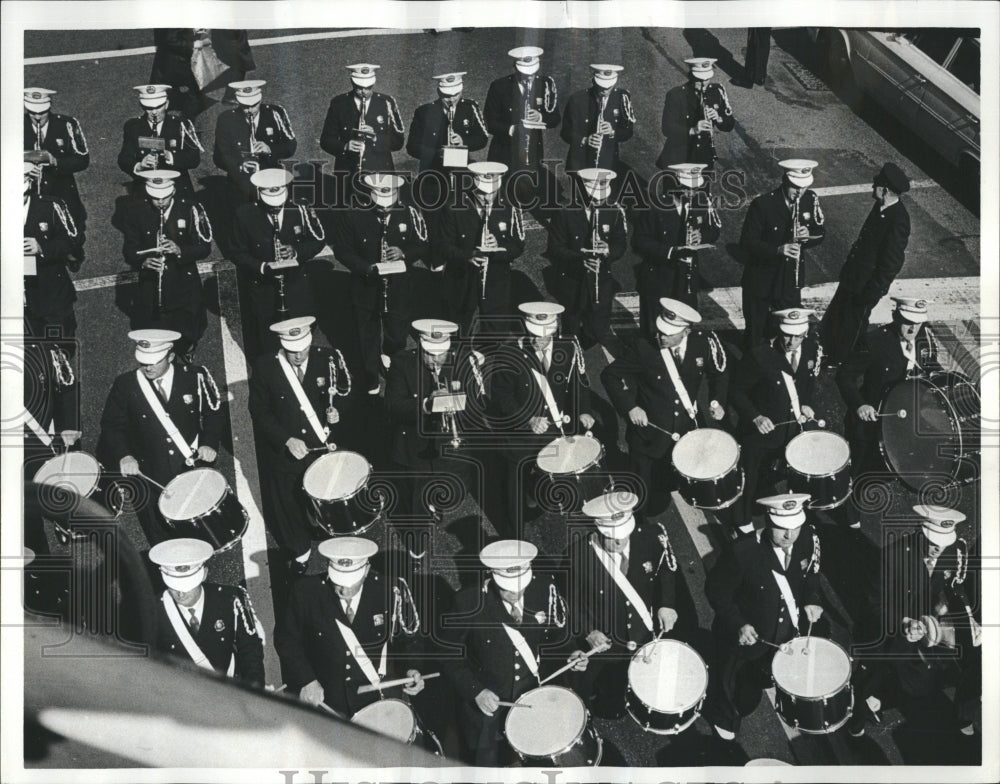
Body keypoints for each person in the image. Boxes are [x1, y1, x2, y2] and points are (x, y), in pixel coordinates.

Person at [441, 539, 589, 765]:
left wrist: (571, 653)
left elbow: (557, 632)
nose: (517, 594)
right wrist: (476, 691)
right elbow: (449, 654)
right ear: (492, 577)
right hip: (488, 702)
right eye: (508, 589)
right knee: (487, 761)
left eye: (521, 586)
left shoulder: (543, 588)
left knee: (541, 751)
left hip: (533, 692)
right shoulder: (468, 602)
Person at [849, 506, 981, 738]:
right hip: (895, 626)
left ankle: (882, 699)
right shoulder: (893, 556)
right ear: (921, 531)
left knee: (921, 679)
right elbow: (874, 604)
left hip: (929, 625)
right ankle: (857, 716)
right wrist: (904, 622)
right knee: (871, 673)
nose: (938, 549)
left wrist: (967, 619)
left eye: (943, 543)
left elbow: (955, 587)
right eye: (932, 542)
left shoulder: (956, 549)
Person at [704, 493, 826, 740]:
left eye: (795, 528)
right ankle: (724, 716)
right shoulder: (743, 550)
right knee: (728, 677)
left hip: (781, 633)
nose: (789, 536)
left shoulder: (809, 539)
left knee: (756, 679)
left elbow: (812, 574)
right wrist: (738, 624)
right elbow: (716, 590)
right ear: (769, 522)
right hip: (744, 635)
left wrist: (813, 600)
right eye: (781, 529)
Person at [248, 317, 358, 574]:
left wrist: (339, 410)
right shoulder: (266, 366)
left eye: (302, 349)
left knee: (330, 496)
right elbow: (259, 411)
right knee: (288, 503)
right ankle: (300, 551)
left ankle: (335, 537)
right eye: (291, 350)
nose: (297, 356)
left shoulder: (329, 358)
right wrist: (285, 439)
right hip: (289, 449)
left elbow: (347, 391)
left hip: (323, 446)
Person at [274, 537, 426, 718]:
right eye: (338, 582)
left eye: (350, 583)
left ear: (366, 570)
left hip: (377, 693)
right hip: (326, 693)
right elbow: (286, 639)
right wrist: (307, 680)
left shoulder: (391, 590)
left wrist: (412, 668)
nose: (343, 591)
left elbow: (409, 639)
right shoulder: (305, 592)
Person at [97, 329, 223, 545]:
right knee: (160, 533)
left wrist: (209, 443)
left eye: (154, 362)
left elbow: (213, 413)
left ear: (171, 356)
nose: (148, 367)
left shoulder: (194, 376)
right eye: (143, 361)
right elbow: (111, 426)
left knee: (198, 525)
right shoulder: (126, 384)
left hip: (190, 466)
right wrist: (124, 455)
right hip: (151, 473)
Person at [602, 298, 728, 513]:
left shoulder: (703, 344)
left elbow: (719, 374)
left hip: (685, 427)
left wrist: (717, 401)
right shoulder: (644, 348)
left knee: (674, 479)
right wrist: (630, 407)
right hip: (650, 433)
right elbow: (610, 375)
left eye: (668, 334)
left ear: (686, 332)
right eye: (660, 331)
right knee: (640, 490)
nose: (660, 337)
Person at [566, 490, 679, 719]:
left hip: (641, 631)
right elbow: (568, 602)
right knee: (587, 683)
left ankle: (618, 702)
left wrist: (666, 604)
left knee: (629, 678)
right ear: (598, 529)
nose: (618, 542)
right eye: (611, 536)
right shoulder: (577, 556)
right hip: (604, 638)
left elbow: (665, 569)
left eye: (623, 535)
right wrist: (588, 631)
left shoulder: (652, 536)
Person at [834, 297, 941, 529]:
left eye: (918, 324)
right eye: (907, 322)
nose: (912, 329)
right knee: (859, 468)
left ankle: (869, 494)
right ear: (896, 317)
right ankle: (850, 513)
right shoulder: (874, 342)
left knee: (886, 464)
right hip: (871, 421)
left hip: (903, 420)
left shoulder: (924, 340)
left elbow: (932, 367)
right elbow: (844, 376)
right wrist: (860, 405)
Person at [490, 302, 595, 536]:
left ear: (555, 329)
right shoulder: (509, 353)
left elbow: (578, 383)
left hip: (556, 429)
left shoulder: (568, 348)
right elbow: (501, 397)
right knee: (514, 483)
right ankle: (514, 534)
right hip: (521, 434)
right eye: (534, 334)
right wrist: (529, 419)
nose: (538, 340)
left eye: (544, 336)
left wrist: (584, 410)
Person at [384, 319, 489, 529]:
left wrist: (458, 400)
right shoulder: (403, 363)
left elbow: (480, 403)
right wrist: (427, 404)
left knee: (455, 493)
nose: (436, 360)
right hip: (416, 443)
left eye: (440, 353)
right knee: (417, 501)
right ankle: (419, 542)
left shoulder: (463, 362)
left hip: (451, 442)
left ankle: (436, 502)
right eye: (430, 354)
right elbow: (393, 406)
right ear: (421, 346)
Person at [726, 309, 822, 536]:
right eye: (787, 335)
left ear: (805, 334)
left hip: (791, 429)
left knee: (783, 471)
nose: (791, 342)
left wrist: (806, 404)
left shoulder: (811, 350)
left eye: (797, 336)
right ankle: (741, 520)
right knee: (748, 477)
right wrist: (755, 416)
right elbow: (736, 391)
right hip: (760, 432)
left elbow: (806, 384)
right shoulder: (760, 355)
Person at [335, 173, 429, 395]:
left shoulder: (409, 212)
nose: (385, 210)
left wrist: (403, 253)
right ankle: (370, 377)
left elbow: (423, 243)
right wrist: (367, 268)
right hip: (366, 285)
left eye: (389, 204)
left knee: (397, 331)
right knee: (366, 334)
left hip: (398, 286)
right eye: (380, 205)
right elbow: (343, 250)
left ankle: (392, 361)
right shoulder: (353, 215)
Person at [820, 162, 912, 364]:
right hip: (853, 278)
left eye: (876, 185)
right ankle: (832, 349)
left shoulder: (898, 220)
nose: (873, 188)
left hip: (865, 285)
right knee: (839, 316)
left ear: (885, 189)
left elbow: (891, 262)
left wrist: (873, 291)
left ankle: (840, 361)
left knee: (852, 325)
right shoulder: (880, 206)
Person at [230, 168, 326, 354]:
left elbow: (318, 239)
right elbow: (236, 251)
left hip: (296, 283)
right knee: (267, 336)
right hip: (264, 287)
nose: (275, 207)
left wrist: (296, 252)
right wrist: (262, 266)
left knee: (302, 331)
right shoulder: (245, 215)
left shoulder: (300, 209)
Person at [122, 170, 213, 360]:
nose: (160, 203)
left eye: (164, 198)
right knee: (156, 322)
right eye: (155, 198)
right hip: (152, 280)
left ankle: (186, 347)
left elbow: (204, 248)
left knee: (188, 319)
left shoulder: (190, 209)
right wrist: (143, 261)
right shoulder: (136, 212)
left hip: (183, 279)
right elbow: (130, 249)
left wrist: (180, 250)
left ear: (173, 192)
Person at [149, 538, 265, 686]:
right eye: (174, 586)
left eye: (187, 586)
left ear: (204, 574)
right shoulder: (153, 610)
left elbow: (250, 647)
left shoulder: (230, 598)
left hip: (230, 688)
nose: (180, 594)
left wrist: (254, 688)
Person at [739, 159, 826, 347]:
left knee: (789, 328)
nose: (799, 193)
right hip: (762, 279)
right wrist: (777, 250)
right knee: (756, 330)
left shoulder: (810, 199)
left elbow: (821, 232)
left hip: (789, 280)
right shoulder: (763, 204)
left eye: (803, 188)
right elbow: (747, 243)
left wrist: (808, 235)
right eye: (795, 188)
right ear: (785, 181)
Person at [437, 161, 526, 335]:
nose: (487, 198)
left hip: (496, 278)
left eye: (492, 192)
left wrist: (499, 249)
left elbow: (518, 245)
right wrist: (467, 256)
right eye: (481, 193)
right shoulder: (454, 207)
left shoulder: (511, 206)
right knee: (458, 328)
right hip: (462, 278)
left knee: (495, 331)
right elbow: (443, 245)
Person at [547, 167, 628, 347]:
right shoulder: (565, 212)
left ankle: (588, 339)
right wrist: (579, 259)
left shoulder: (614, 211)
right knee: (571, 327)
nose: (599, 202)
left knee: (598, 329)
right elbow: (555, 248)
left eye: (602, 197)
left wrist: (608, 250)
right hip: (573, 280)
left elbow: (620, 243)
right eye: (594, 197)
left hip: (601, 280)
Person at [633, 163, 721, 323]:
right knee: (655, 326)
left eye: (696, 188)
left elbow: (714, 229)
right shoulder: (656, 207)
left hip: (686, 278)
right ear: (676, 184)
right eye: (688, 188)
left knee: (683, 324)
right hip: (659, 277)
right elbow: (639, 241)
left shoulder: (701, 201)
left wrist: (701, 236)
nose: (692, 193)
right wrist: (671, 251)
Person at [406, 71, 489, 234]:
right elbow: (412, 146)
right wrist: (437, 153)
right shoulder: (424, 112)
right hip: (434, 175)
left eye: (456, 94)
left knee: (463, 218)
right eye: (446, 96)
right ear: (439, 92)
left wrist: (463, 142)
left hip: (462, 174)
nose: (452, 100)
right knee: (435, 220)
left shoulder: (470, 108)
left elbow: (482, 137)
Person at [484, 46, 561, 210]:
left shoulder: (546, 85)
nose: (528, 78)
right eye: (524, 74)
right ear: (515, 67)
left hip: (532, 149)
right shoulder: (499, 86)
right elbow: (490, 122)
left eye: (532, 74)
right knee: (503, 196)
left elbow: (555, 118)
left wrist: (541, 117)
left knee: (526, 191)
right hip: (505, 148)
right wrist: (513, 129)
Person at [320, 63, 405, 203]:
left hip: (380, 172)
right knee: (350, 215)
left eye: (368, 87)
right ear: (352, 82)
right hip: (349, 172)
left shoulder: (387, 102)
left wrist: (376, 137)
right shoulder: (339, 103)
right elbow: (326, 140)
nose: (364, 91)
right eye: (360, 87)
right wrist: (345, 146)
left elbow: (398, 141)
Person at [22, 162, 81, 352]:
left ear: (27, 184)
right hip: (16, 300)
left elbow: (73, 241)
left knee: (61, 351)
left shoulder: (51, 206)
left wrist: (41, 248)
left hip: (51, 297)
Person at [23, 87, 89, 251]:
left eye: (42, 112)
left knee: (71, 232)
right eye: (32, 113)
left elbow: (82, 159)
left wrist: (57, 162)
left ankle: (71, 254)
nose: (37, 117)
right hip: (29, 194)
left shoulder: (66, 124)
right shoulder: (13, 125)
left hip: (61, 191)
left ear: (49, 107)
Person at [212, 79, 297, 206]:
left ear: (260, 99)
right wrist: (240, 165)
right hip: (241, 185)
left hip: (272, 180)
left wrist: (270, 150)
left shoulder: (275, 113)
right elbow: (219, 156)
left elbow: (291, 145)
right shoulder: (226, 119)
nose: (250, 110)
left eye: (254, 105)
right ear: (237, 101)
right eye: (245, 106)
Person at [117, 84, 203, 198]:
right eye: (149, 108)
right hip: (145, 188)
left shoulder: (181, 125)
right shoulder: (133, 127)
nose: (154, 112)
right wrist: (139, 165)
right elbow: (124, 158)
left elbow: (194, 159)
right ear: (142, 106)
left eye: (158, 107)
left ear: (166, 104)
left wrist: (172, 157)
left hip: (176, 188)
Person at [150, 29, 256, 118]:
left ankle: (181, 125)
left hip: (173, 64)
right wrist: (194, 44)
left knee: (172, 100)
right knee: (193, 99)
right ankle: (183, 126)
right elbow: (169, 39)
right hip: (175, 64)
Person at [655, 58, 734, 172]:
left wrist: (719, 118)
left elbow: (730, 124)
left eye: (707, 80)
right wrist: (693, 130)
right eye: (699, 80)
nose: (703, 84)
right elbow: (667, 129)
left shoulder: (717, 92)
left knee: (702, 189)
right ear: (691, 76)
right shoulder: (676, 95)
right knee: (675, 189)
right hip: (679, 156)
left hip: (703, 157)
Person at [561, 64, 635, 181]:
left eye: (609, 87)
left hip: (608, 164)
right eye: (601, 86)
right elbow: (565, 132)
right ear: (593, 81)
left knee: (604, 198)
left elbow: (628, 131)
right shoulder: (577, 99)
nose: (605, 90)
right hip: (581, 163)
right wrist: (585, 140)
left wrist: (612, 132)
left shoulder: (622, 98)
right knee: (581, 198)